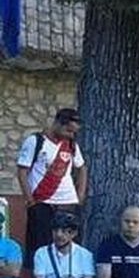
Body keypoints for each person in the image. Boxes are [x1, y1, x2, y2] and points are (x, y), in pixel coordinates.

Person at [16, 108, 87, 264]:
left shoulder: (72, 145)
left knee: (69, 247)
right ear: (57, 123)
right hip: (41, 202)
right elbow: (22, 171)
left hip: (67, 202)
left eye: (74, 132)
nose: (71, 135)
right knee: (40, 247)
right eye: (68, 130)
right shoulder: (36, 141)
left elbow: (81, 168)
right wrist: (30, 199)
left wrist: (80, 194)